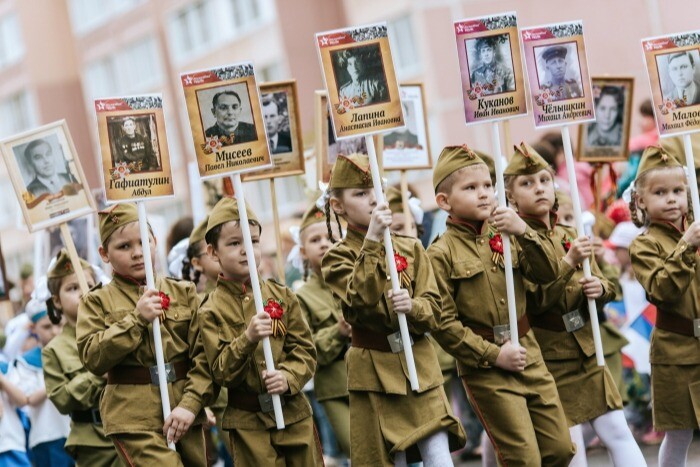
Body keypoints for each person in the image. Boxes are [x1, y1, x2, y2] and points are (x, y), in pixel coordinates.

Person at [428, 145, 575, 466]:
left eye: (487, 186)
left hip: (529, 354)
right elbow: (443, 324)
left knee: (560, 449)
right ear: (444, 201)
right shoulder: (440, 254)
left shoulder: (508, 233)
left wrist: (523, 231)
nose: (483, 194)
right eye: (470, 188)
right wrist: (494, 355)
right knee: (523, 459)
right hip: (487, 369)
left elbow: (549, 274)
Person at [504, 143, 645, 466]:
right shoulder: (512, 242)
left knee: (617, 431)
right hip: (551, 356)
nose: (539, 188)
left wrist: (601, 288)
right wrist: (568, 262)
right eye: (527, 183)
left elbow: (608, 283)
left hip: (586, 349)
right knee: (571, 446)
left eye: (544, 180)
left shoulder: (570, 232)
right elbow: (535, 301)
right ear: (511, 196)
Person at [321, 154, 466, 466]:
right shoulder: (336, 258)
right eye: (360, 193)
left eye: (377, 189)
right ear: (338, 206)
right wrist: (372, 240)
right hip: (375, 373)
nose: (373, 198)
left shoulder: (411, 247)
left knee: (438, 455)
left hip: (419, 364)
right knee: (391, 458)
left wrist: (412, 307)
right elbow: (360, 299)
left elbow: (435, 309)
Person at [76, 203, 215, 466]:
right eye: (124, 246)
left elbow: (204, 356)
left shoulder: (183, 292)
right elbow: (93, 359)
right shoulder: (96, 302)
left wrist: (192, 403)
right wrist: (136, 320)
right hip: (133, 417)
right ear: (104, 254)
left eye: (143, 241)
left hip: (184, 407)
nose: (137, 253)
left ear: (155, 240)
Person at [197, 197, 322, 465]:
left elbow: (305, 351)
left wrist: (288, 377)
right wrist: (248, 339)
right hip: (248, 424)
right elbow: (220, 372)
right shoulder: (210, 310)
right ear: (212, 252)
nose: (247, 250)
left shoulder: (282, 295)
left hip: (293, 415)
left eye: (253, 241)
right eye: (234, 243)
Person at [628, 146, 700, 467]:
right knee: (680, 432)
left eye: (677, 190)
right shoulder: (644, 244)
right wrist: (686, 247)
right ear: (642, 200)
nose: (671, 198)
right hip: (676, 351)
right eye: (660, 192)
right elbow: (662, 289)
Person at [41, 250, 123, 466]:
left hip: (133, 428)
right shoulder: (54, 350)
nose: (83, 293)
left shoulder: (116, 331)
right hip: (94, 444)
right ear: (57, 301)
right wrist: (98, 373)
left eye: (88, 285)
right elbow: (62, 400)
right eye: (72, 288)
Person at [294, 202, 350, 458]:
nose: (324, 243)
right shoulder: (301, 296)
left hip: (374, 379)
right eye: (315, 240)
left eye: (329, 237)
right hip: (336, 388)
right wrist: (337, 332)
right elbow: (307, 349)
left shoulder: (354, 279)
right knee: (358, 450)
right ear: (303, 252)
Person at [0, 298, 73, 466]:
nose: (55, 331)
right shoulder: (25, 363)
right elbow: (27, 399)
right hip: (46, 435)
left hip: (74, 430)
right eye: (47, 326)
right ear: (33, 328)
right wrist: (59, 382)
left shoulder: (73, 353)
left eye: (59, 325)